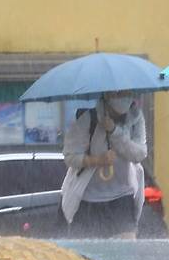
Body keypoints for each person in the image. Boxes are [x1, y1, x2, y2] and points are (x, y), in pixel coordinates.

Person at [61, 90, 147, 238]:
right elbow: (70, 156)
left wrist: (114, 131)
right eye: (118, 94)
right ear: (107, 95)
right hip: (89, 200)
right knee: (88, 257)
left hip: (122, 198)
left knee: (125, 254)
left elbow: (139, 154)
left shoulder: (135, 119)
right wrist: (97, 160)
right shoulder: (89, 119)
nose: (123, 98)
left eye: (127, 93)